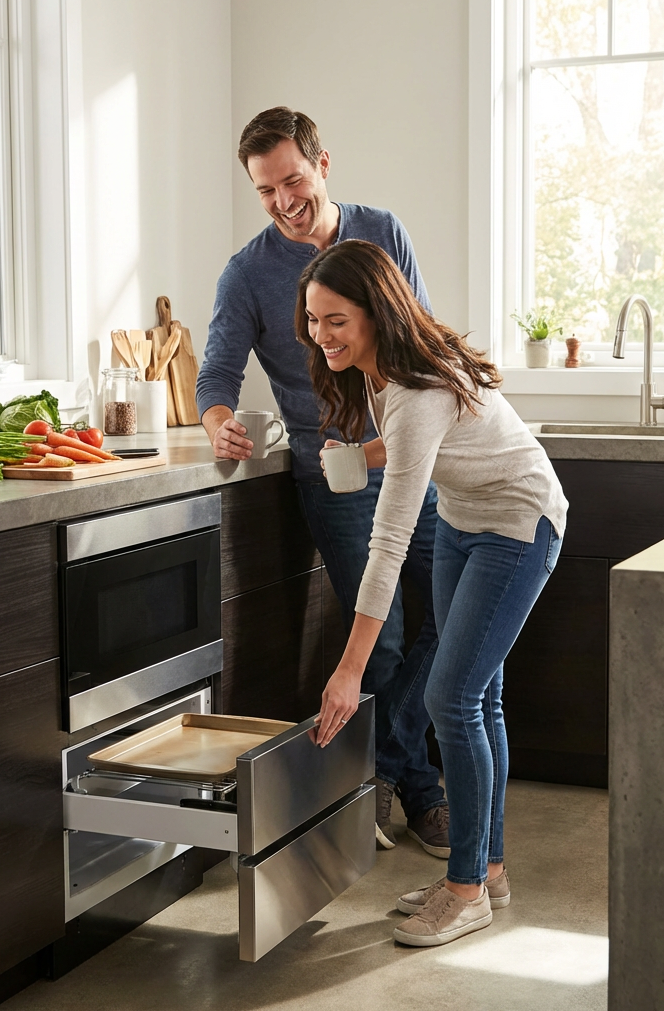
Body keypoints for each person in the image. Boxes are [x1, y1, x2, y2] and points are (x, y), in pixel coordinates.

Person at [297, 239, 568, 948]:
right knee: (480, 699)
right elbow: (418, 441)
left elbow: (385, 544)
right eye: (313, 319)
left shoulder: (413, 388)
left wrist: (348, 672)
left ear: (375, 313)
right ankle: (489, 870)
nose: (321, 335)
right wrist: (364, 455)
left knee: (453, 699)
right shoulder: (384, 367)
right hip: (460, 521)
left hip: (517, 523)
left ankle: (465, 889)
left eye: (336, 320)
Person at [195, 107, 448, 856]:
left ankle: (378, 777)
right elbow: (217, 370)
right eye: (266, 189)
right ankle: (417, 789)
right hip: (336, 479)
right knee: (387, 640)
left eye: (292, 180)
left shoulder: (383, 232)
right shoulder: (247, 272)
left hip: (411, 457)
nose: (282, 200)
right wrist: (216, 422)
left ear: (322, 163)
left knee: (445, 617)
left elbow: (423, 338)